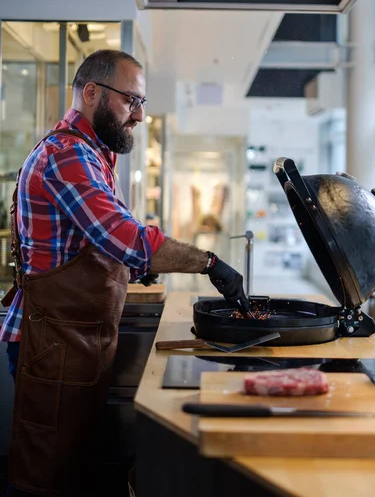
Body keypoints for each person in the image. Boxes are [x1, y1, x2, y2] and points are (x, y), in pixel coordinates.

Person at [0, 49, 248, 497]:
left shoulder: (92, 155)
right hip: (53, 343)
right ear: (91, 92)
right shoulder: (68, 155)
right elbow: (123, 236)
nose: (137, 116)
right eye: (130, 101)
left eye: (141, 104)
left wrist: (133, 271)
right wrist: (209, 263)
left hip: (74, 341)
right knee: (47, 478)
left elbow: (91, 246)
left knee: (73, 469)